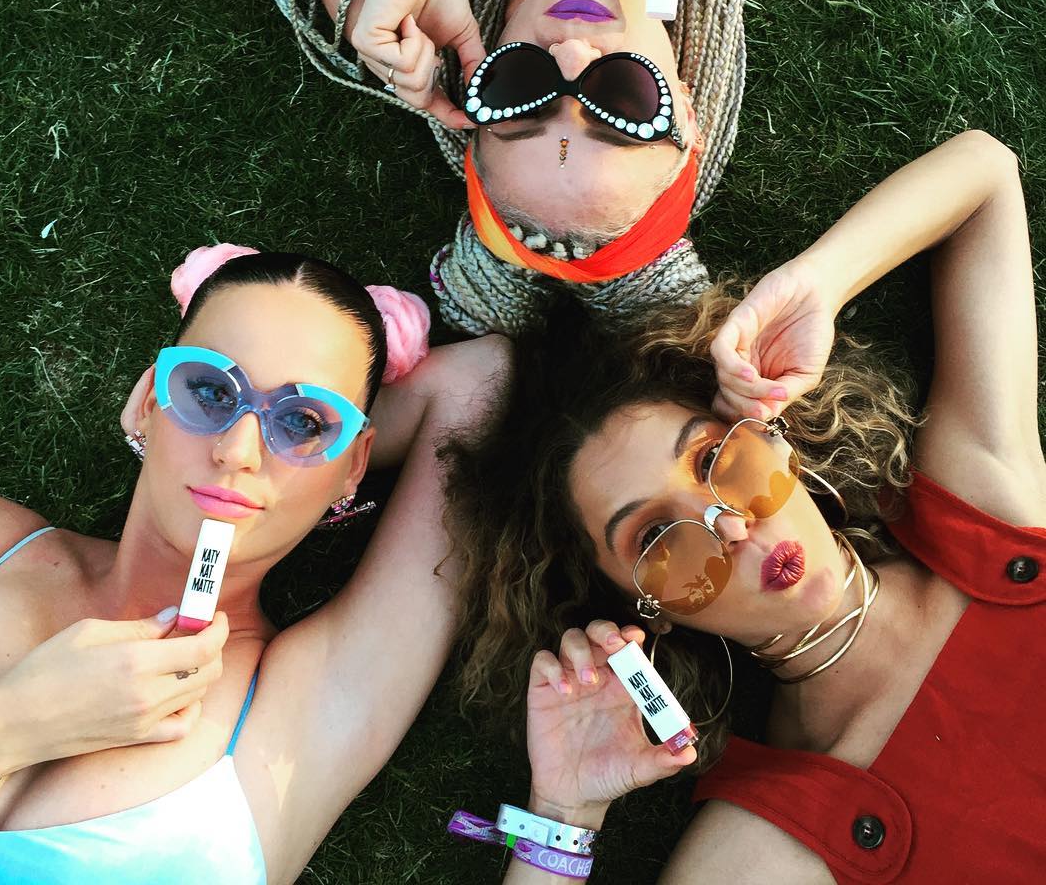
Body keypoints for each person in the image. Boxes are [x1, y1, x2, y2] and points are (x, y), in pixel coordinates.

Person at [442, 129, 1046, 881]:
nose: (729, 524)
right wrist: (564, 813)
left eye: (713, 460)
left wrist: (814, 289)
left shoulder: (981, 524)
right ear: (647, 612)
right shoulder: (772, 835)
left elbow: (986, 176)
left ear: (777, 439)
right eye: (657, 538)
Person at [0, 246, 506, 883]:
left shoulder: (310, 703)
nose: (239, 451)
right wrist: (2, 729)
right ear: (148, 400)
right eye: (208, 391)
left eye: (302, 422)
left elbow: (481, 381)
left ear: (357, 463)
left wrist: (331, 438)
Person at [249, 0, 837, 333]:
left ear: (473, 98)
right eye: (623, 98)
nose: (572, 53)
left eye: (521, 88)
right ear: (687, 108)